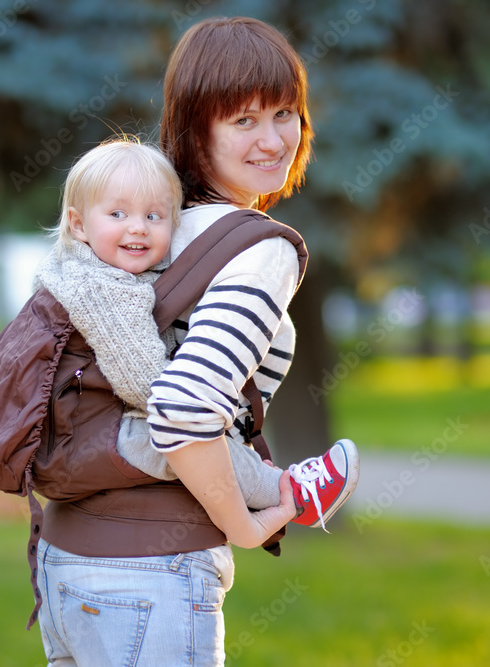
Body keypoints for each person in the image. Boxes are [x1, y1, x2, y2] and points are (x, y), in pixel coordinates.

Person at [36, 17, 361, 666]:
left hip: (64, 564)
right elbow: (181, 409)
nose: (272, 139)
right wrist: (243, 525)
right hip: (151, 573)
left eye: (284, 112)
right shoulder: (259, 248)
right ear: (196, 126)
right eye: (242, 120)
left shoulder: (142, 223)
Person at [35, 136, 296, 511]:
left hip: (84, 430)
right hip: (96, 435)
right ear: (78, 224)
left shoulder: (88, 266)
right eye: (118, 214)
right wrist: (204, 412)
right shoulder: (100, 287)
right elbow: (147, 385)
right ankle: (287, 492)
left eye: (154, 216)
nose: (138, 228)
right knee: (192, 447)